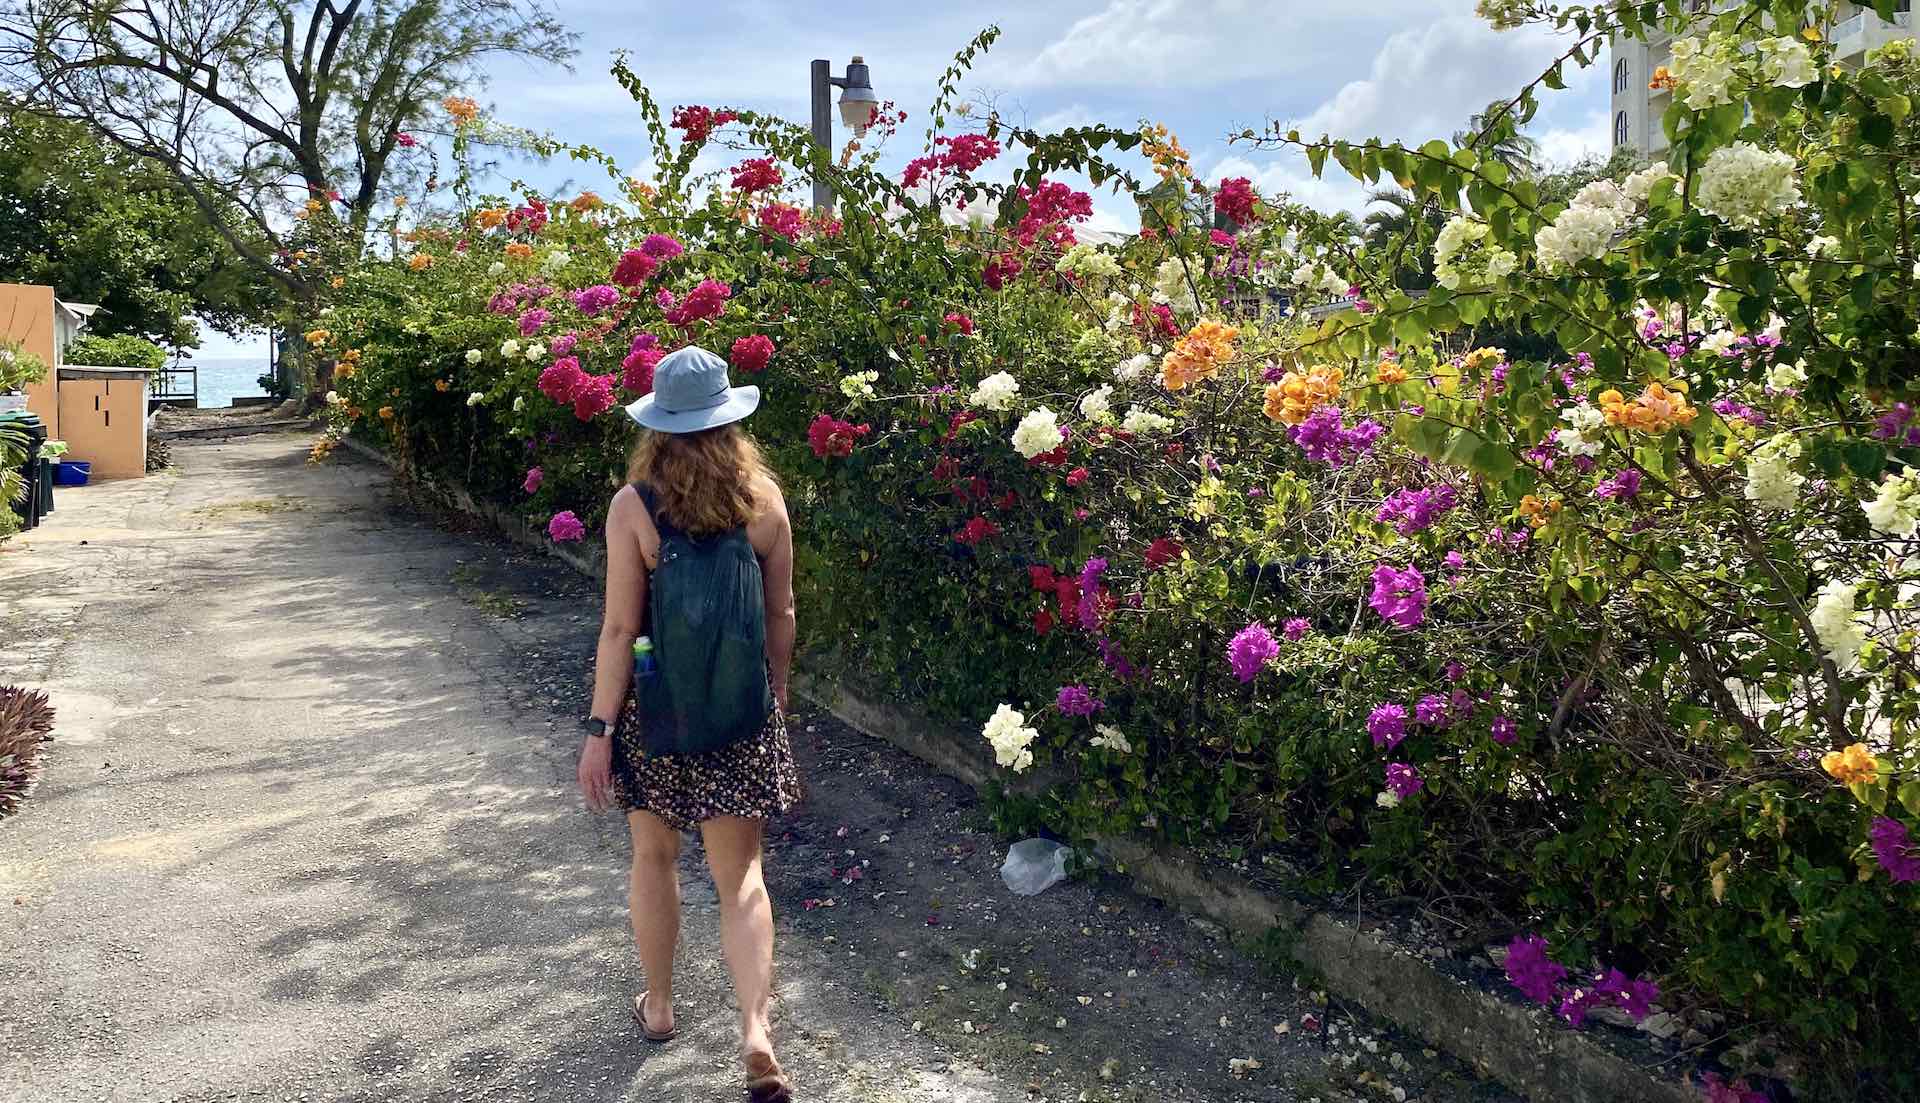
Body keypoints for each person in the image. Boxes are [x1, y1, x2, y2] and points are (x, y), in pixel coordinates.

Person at [577, 345, 801, 1103]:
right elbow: (782, 615)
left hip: (656, 717)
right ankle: (755, 1031)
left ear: (659, 426)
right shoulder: (764, 501)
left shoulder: (633, 507)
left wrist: (600, 728)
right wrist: (774, 698)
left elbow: (618, 630)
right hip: (739, 717)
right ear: (731, 422)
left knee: (655, 859)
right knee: (740, 879)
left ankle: (662, 1005)